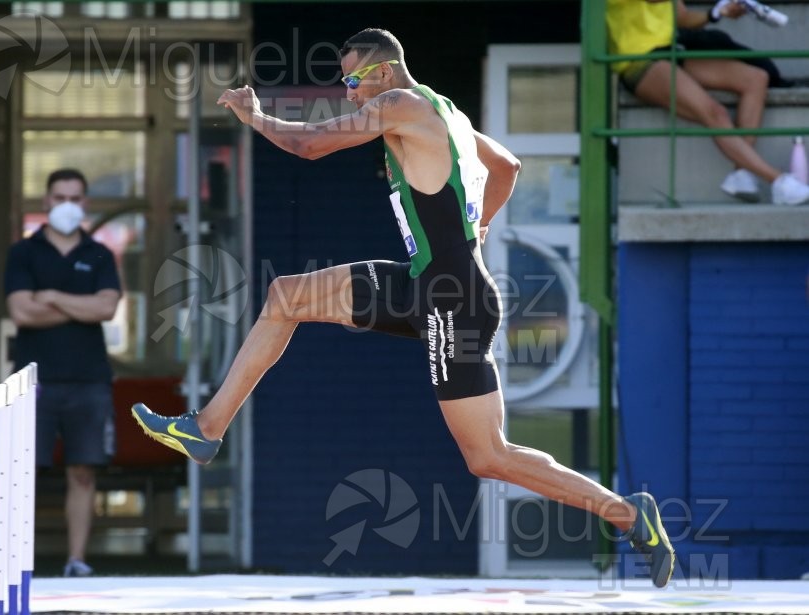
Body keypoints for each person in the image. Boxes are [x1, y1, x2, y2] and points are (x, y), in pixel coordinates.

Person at [132, 28, 676, 587]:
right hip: (429, 283)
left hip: (452, 300)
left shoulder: (398, 104)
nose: (349, 95)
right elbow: (507, 166)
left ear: (385, 72)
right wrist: (477, 228)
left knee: (488, 457)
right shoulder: (450, 114)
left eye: (352, 80)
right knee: (284, 297)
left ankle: (630, 515)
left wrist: (255, 118)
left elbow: (310, 145)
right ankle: (206, 427)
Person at [4, 168, 122, 577]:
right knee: (22, 473)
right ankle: (17, 562)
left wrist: (51, 297)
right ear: (46, 201)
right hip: (32, 383)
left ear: (85, 203)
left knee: (83, 471)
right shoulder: (23, 252)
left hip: (89, 379)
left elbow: (107, 309)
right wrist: (79, 308)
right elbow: (20, 312)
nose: (67, 205)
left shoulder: (99, 253)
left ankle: (76, 560)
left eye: (75, 198)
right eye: (59, 197)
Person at [606, 0, 809, 205]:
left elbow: (683, 19)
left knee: (756, 78)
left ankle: (741, 174)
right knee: (715, 112)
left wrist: (716, 13)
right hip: (637, 60)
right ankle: (779, 181)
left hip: (671, 52)